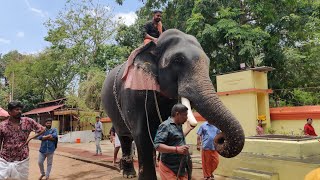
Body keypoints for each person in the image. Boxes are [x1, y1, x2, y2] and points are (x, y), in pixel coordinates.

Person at [0, 101, 45, 179]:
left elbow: (42, 129)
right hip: (5, 159)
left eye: (20, 109)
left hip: (22, 159)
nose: (19, 111)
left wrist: (31, 137)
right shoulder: (2, 125)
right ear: (9, 112)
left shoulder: (28, 121)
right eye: (16, 109)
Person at [154, 104, 192, 180]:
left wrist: (188, 129)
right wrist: (177, 149)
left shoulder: (179, 125)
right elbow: (157, 146)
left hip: (180, 167)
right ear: (177, 114)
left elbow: (177, 138)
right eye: (185, 115)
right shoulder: (165, 126)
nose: (187, 118)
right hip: (169, 167)